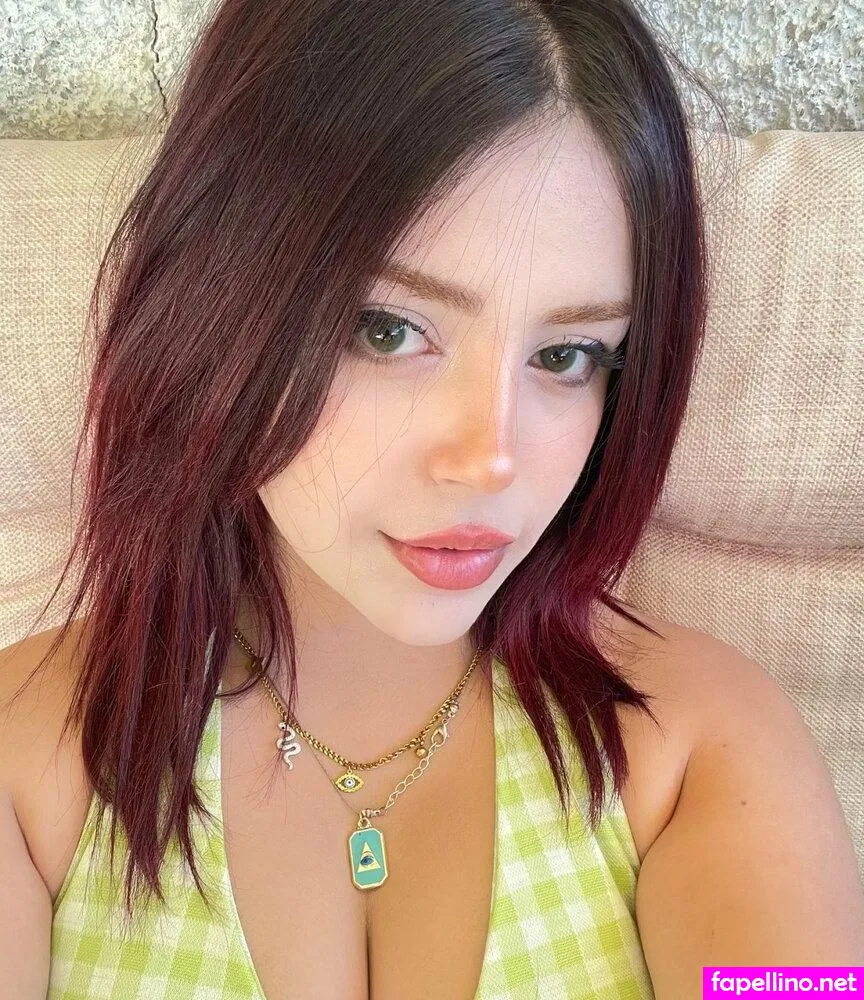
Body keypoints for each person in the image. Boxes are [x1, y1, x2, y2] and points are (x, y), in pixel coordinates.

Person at [2, 0, 863, 997]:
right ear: (215, 297)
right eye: (387, 331)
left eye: (566, 355)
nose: (488, 461)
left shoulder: (702, 746)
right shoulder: (31, 766)